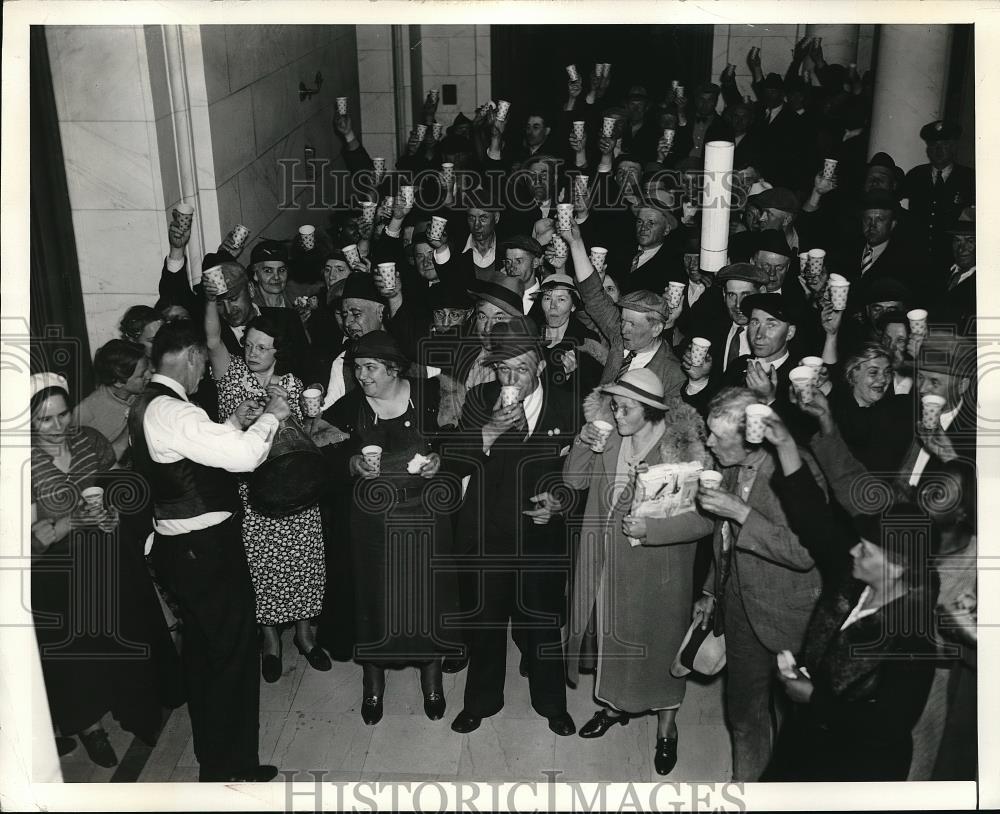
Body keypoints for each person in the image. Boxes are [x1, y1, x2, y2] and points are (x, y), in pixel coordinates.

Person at [128, 320, 287, 782]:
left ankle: (218, 758)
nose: (202, 378)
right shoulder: (178, 413)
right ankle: (231, 766)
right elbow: (242, 459)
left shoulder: (151, 405)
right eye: (202, 365)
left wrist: (233, 423)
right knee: (232, 656)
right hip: (206, 551)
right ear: (193, 355)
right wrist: (273, 415)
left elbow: (189, 458)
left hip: (181, 549)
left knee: (205, 655)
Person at [760, 410, 937, 781]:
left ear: (899, 568)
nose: (855, 551)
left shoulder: (913, 640)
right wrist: (787, 445)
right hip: (804, 744)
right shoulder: (853, 578)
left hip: (856, 768)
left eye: (867, 550)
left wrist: (813, 699)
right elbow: (814, 520)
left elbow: (886, 728)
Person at [563, 368, 715, 775]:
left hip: (659, 574)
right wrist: (581, 442)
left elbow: (705, 522)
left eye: (625, 408)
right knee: (615, 647)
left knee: (661, 654)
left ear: (649, 410)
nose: (616, 414)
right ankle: (614, 708)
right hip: (606, 566)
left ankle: (667, 728)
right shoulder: (608, 435)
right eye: (613, 405)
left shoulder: (681, 450)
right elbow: (573, 480)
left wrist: (654, 531)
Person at [30, 373, 172, 768]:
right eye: (45, 420)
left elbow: (112, 484)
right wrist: (65, 525)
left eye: (62, 416)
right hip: (52, 576)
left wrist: (111, 514)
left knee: (111, 642)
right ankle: (89, 727)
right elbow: (21, 544)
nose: (57, 427)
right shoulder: (19, 464)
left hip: (101, 562)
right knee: (71, 659)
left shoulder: (87, 442)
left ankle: (127, 707)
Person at [449, 317, 578, 737]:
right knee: (485, 624)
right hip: (488, 533)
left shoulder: (567, 405)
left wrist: (559, 503)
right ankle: (481, 701)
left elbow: (581, 476)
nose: (512, 378)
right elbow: (451, 464)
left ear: (540, 367)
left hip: (541, 537)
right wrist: (486, 432)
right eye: (504, 368)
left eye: (521, 369)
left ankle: (551, 703)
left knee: (542, 624)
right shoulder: (479, 398)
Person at [323, 331, 459, 724]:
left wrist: (440, 460)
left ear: (394, 369)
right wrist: (350, 464)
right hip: (371, 524)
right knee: (374, 601)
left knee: (425, 599)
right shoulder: (350, 406)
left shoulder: (432, 395)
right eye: (357, 368)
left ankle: (431, 679)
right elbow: (317, 451)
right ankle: (372, 684)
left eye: (370, 368)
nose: (361, 376)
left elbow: (461, 442)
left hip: (425, 518)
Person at [692, 386, 824, 781]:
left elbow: (804, 551)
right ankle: (748, 790)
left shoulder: (797, 470)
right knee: (745, 715)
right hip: (739, 614)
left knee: (800, 723)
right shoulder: (730, 465)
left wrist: (740, 511)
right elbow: (725, 539)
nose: (709, 443)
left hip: (791, 617)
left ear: (752, 440)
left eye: (718, 437)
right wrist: (711, 590)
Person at [202, 275, 330, 682]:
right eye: (249, 345)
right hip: (252, 490)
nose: (252, 352)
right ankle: (271, 640)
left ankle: (306, 637)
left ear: (278, 350)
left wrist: (291, 411)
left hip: (295, 487)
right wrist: (210, 298)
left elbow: (305, 437)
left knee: (304, 561)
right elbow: (211, 340)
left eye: (261, 347)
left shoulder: (291, 384)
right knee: (261, 566)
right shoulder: (230, 374)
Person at [72, 339, 151, 463]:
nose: (149, 375)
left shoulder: (145, 390)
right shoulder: (85, 413)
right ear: (118, 382)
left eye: (147, 368)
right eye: (141, 375)